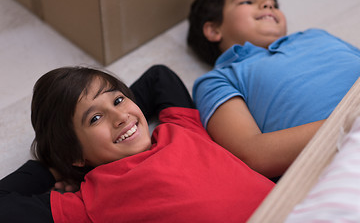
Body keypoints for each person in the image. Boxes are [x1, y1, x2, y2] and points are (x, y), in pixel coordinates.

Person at [0, 65, 274, 222]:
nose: (120, 116)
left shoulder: (178, 129)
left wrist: (128, 116)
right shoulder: (90, 204)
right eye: (95, 118)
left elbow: (158, 77)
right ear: (75, 153)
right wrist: (54, 164)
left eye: (118, 100)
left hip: (295, 206)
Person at [187, 0, 360, 180]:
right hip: (339, 161)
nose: (268, 4)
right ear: (214, 29)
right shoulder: (218, 79)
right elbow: (253, 153)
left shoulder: (316, 36)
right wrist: (350, 119)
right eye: (248, 1)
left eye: (273, 4)